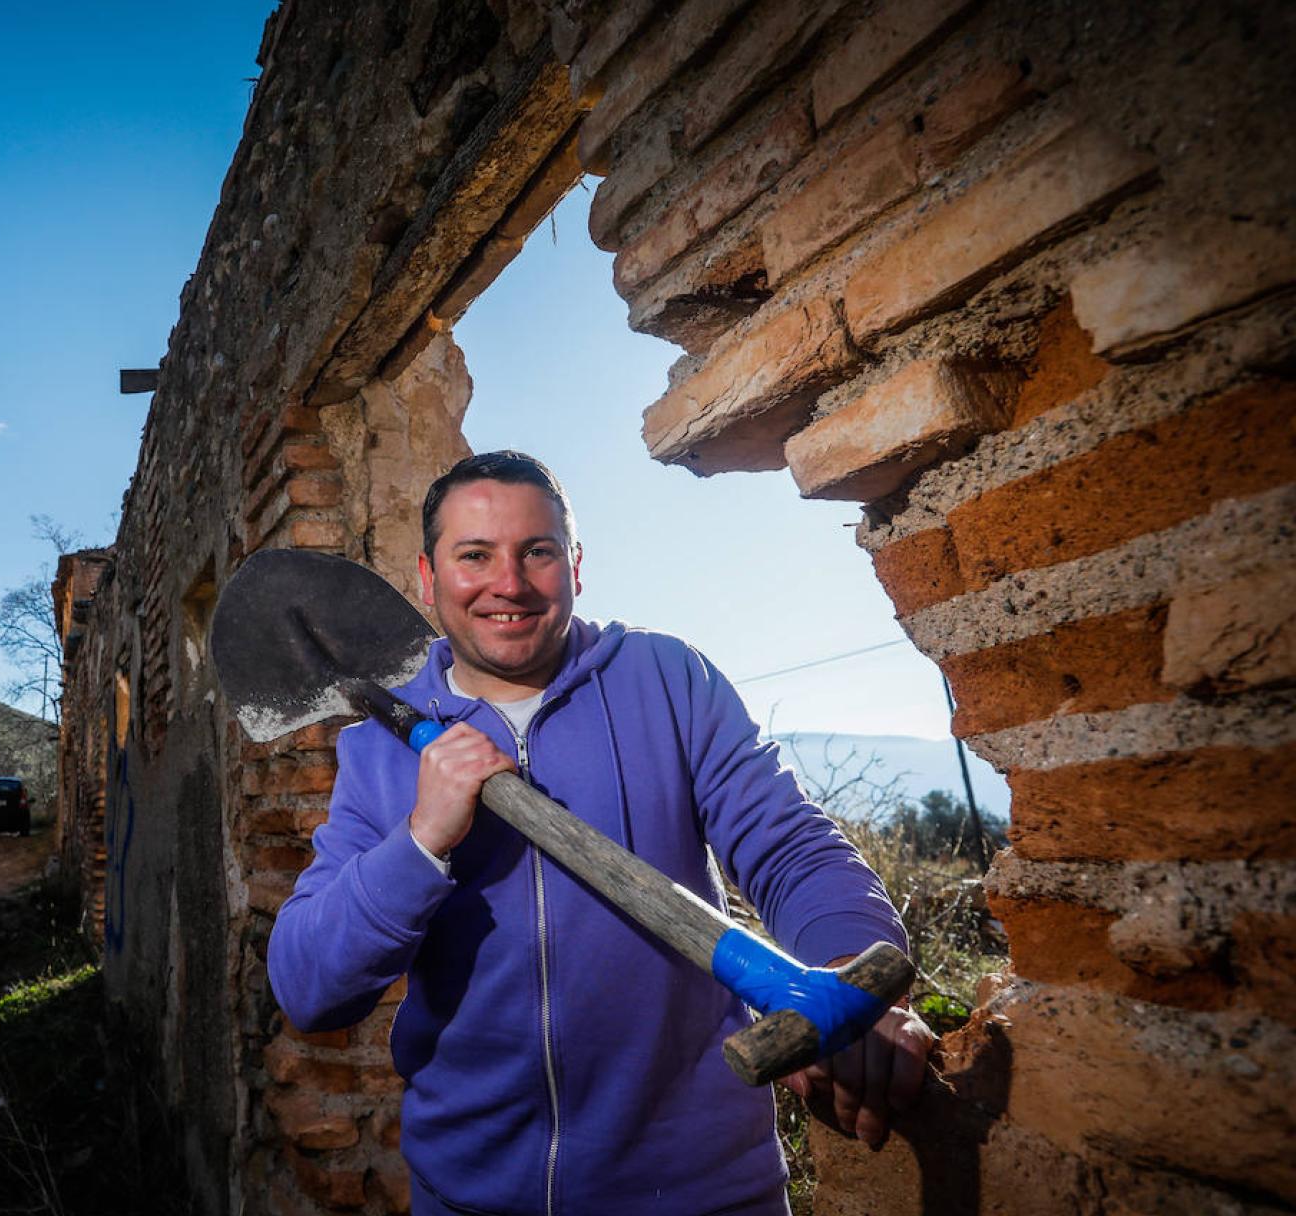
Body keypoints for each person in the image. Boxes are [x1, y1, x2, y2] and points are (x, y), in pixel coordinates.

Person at [268, 451, 935, 1216]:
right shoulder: (378, 750)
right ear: (427, 576)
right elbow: (308, 988)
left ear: (576, 566)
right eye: (474, 556)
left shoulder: (667, 679)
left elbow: (788, 844)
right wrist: (419, 841)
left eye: (537, 552)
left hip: (702, 1190)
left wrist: (846, 970)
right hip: (474, 1193)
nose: (509, 583)